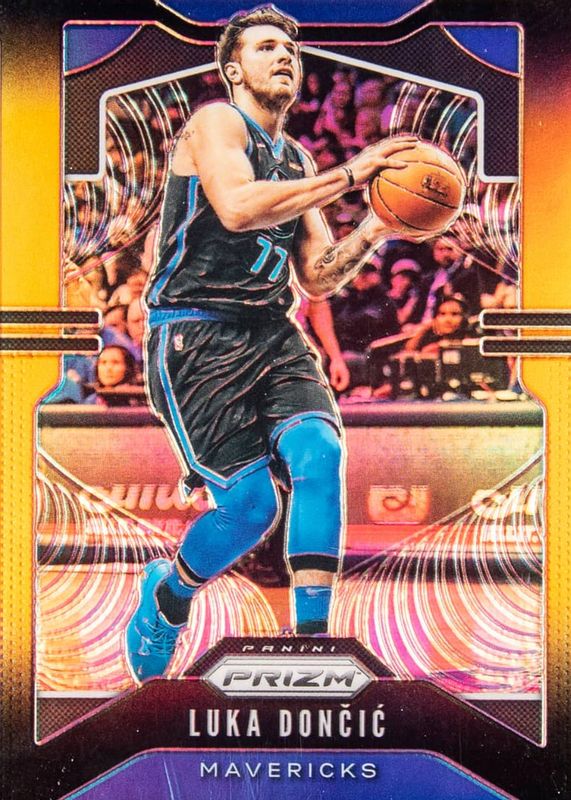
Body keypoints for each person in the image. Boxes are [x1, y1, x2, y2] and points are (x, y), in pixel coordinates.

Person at [125, 5, 417, 683]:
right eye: (265, 47)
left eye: (290, 47)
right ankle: (169, 598)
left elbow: (316, 277)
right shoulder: (216, 123)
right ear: (233, 70)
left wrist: (375, 227)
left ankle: (313, 640)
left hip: (271, 329)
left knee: (320, 452)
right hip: (194, 333)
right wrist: (353, 173)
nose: (284, 54)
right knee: (253, 509)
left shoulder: (296, 158)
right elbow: (235, 207)